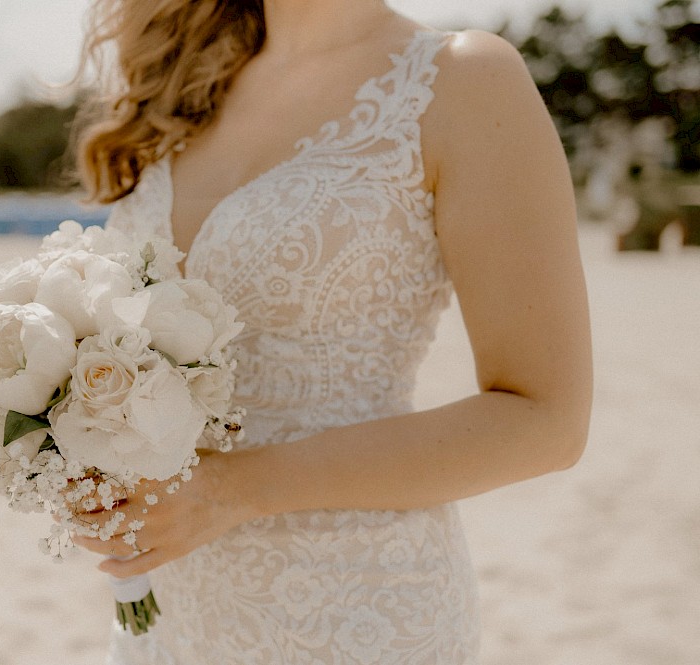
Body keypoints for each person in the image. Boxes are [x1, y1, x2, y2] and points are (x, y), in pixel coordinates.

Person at [70, 1, 593, 663]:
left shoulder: (462, 80)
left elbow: (547, 420)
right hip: (167, 618)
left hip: (356, 608)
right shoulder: (182, 86)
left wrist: (231, 488)